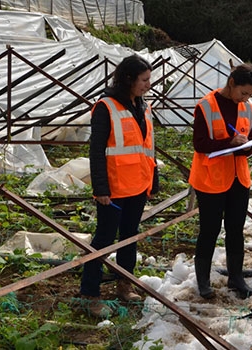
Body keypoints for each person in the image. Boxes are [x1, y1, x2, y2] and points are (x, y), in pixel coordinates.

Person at [80, 54, 159, 318]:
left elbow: (147, 146)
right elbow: (96, 150)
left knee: (130, 236)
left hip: (138, 184)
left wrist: (153, 177)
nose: (149, 84)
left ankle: (124, 283)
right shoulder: (106, 107)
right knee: (104, 238)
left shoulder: (143, 106)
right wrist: (100, 188)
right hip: (114, 188)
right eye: (144, 80)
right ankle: (90, 293)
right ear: (128, 79)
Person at [188, 63, 252, 300]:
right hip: (211, 179)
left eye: (250, 94)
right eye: (243, 92)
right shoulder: (206, 106)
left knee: (235, 229)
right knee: (209, 230)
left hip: (239, 178)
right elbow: (199, 144)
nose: (246, 98)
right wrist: (228, 143)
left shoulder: (247, 107)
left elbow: (247, 140)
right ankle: (203, 280)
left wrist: (245, 146)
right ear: (232, 83)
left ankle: (236, 277)